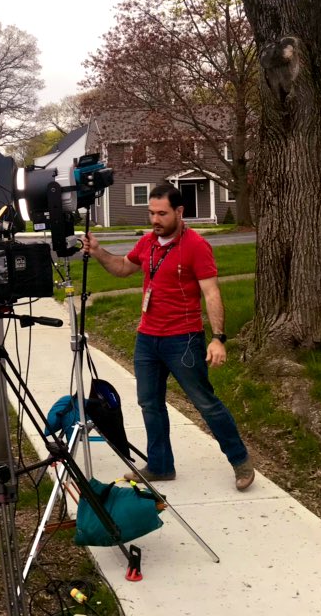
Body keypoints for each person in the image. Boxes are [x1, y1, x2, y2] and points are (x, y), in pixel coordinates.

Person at [83, 183, 255, 491]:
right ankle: (161, 466)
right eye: (151, 213)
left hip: (183, 340)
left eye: (161, 213)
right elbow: (123, 268)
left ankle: (240, 460)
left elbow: (211, 292)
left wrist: (218, 338)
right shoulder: (148, 242)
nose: (155, 219)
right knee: (150, 403)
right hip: (147, 339)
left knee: (206, 403)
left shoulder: (196, 245)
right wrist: (97, 251)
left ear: (179, 211)